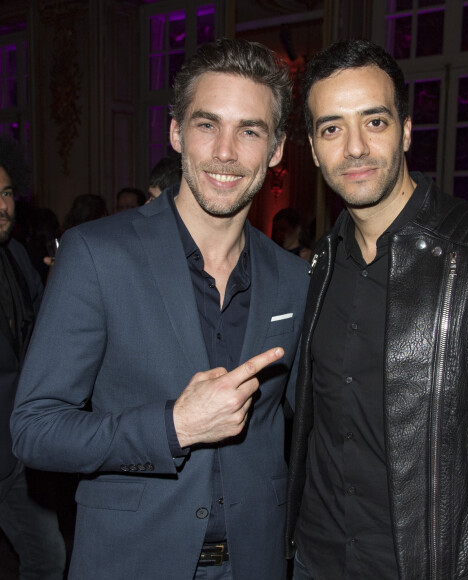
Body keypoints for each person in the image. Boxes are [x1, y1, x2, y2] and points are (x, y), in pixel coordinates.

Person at [11, 38, 309, 580]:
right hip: (132, 560)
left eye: (249, 130)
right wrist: (173, 426)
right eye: (206, 124)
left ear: (277, 148)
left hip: (255, 561)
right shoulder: (97, 254)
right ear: (176, 133)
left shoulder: (293, 279)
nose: (225, 151)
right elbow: (35, 429)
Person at [285, 39, 468, 579]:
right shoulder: (322, 263)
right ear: (312, 145)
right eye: (332, 128)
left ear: (406, 130)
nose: (353, 147)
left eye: (373, 122)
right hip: (315, 561)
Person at [0, 135, 66, 579]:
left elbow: (36, 332)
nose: (3, 205)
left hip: (15, 452)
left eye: (5, 193)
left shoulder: (16, 257)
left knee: (47, 557)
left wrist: (64, 287)